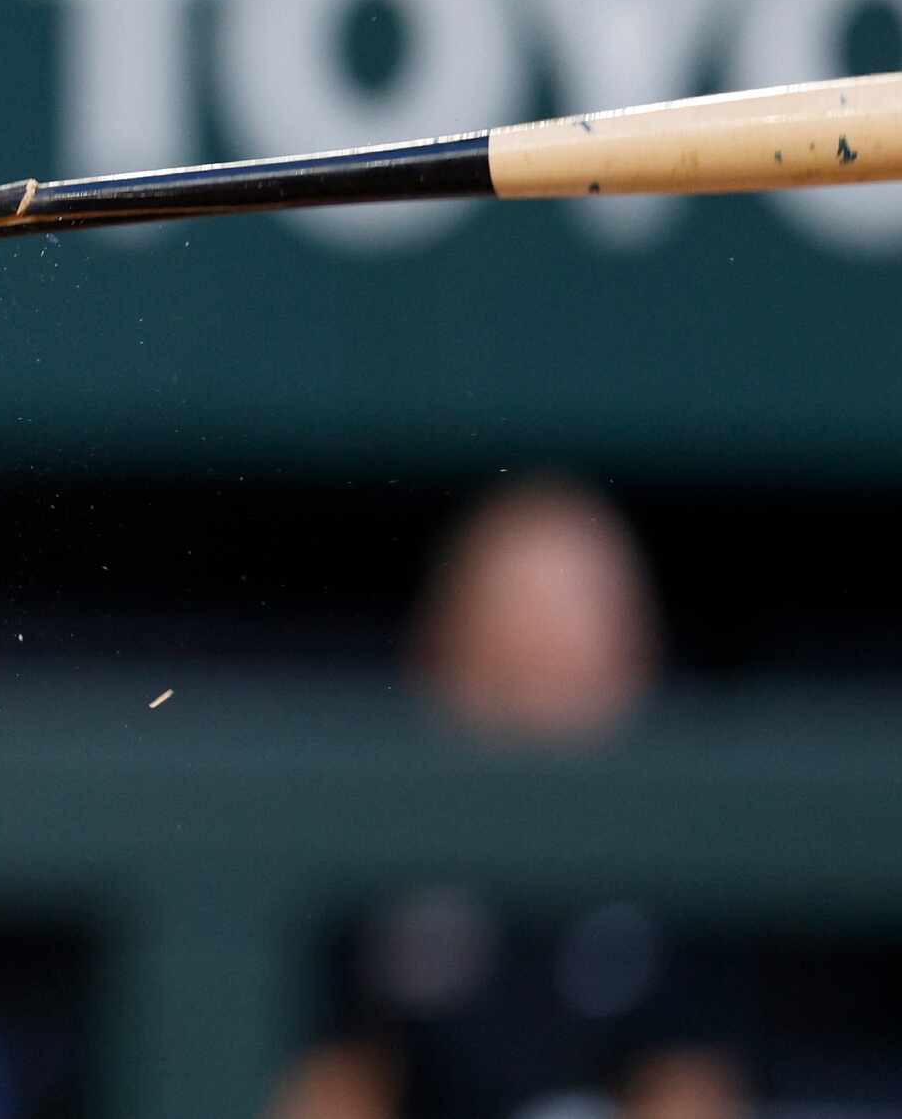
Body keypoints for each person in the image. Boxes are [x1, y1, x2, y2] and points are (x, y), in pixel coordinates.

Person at [265, 478, 753, 1119]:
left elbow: (694, 1084)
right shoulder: (377, 848)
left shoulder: (691, 851)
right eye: (512, 619)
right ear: (442, 650)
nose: (541, 647)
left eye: (571, 622)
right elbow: (329, 1082)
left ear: (635, 654)